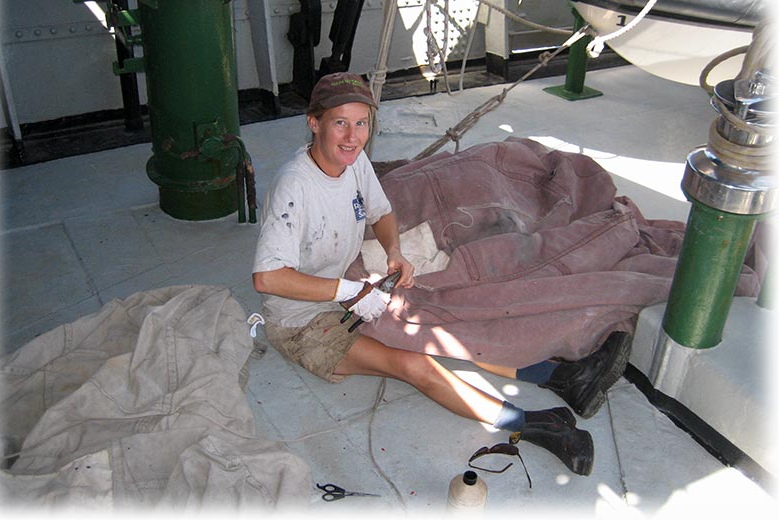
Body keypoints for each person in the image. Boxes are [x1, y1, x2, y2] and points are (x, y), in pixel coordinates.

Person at [252, 72, 630, 476]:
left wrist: (394, 252)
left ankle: (561, 376)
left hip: (347, 289)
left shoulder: (354, 160)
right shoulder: (295, 187)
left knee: (446, 321)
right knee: (415, 364)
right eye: (339, 123)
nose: (352, 136)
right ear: (314, 123)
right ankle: (537, 425)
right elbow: (267, 278)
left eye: (361, 123)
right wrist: (350, 290)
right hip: (301, 321)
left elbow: (380, 212)